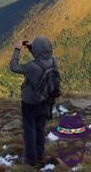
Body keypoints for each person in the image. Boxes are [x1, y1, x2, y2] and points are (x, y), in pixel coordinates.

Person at [9, 36, 59, 167]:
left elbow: (13, 67)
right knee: (40, 129)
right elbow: (40, 58)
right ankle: (40, 156)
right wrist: (31, 48)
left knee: (30, 130)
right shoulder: (53, 61)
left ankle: (31, 160)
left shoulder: (31, 67)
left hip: (30, 103)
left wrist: (17, 49)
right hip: (45, 102)